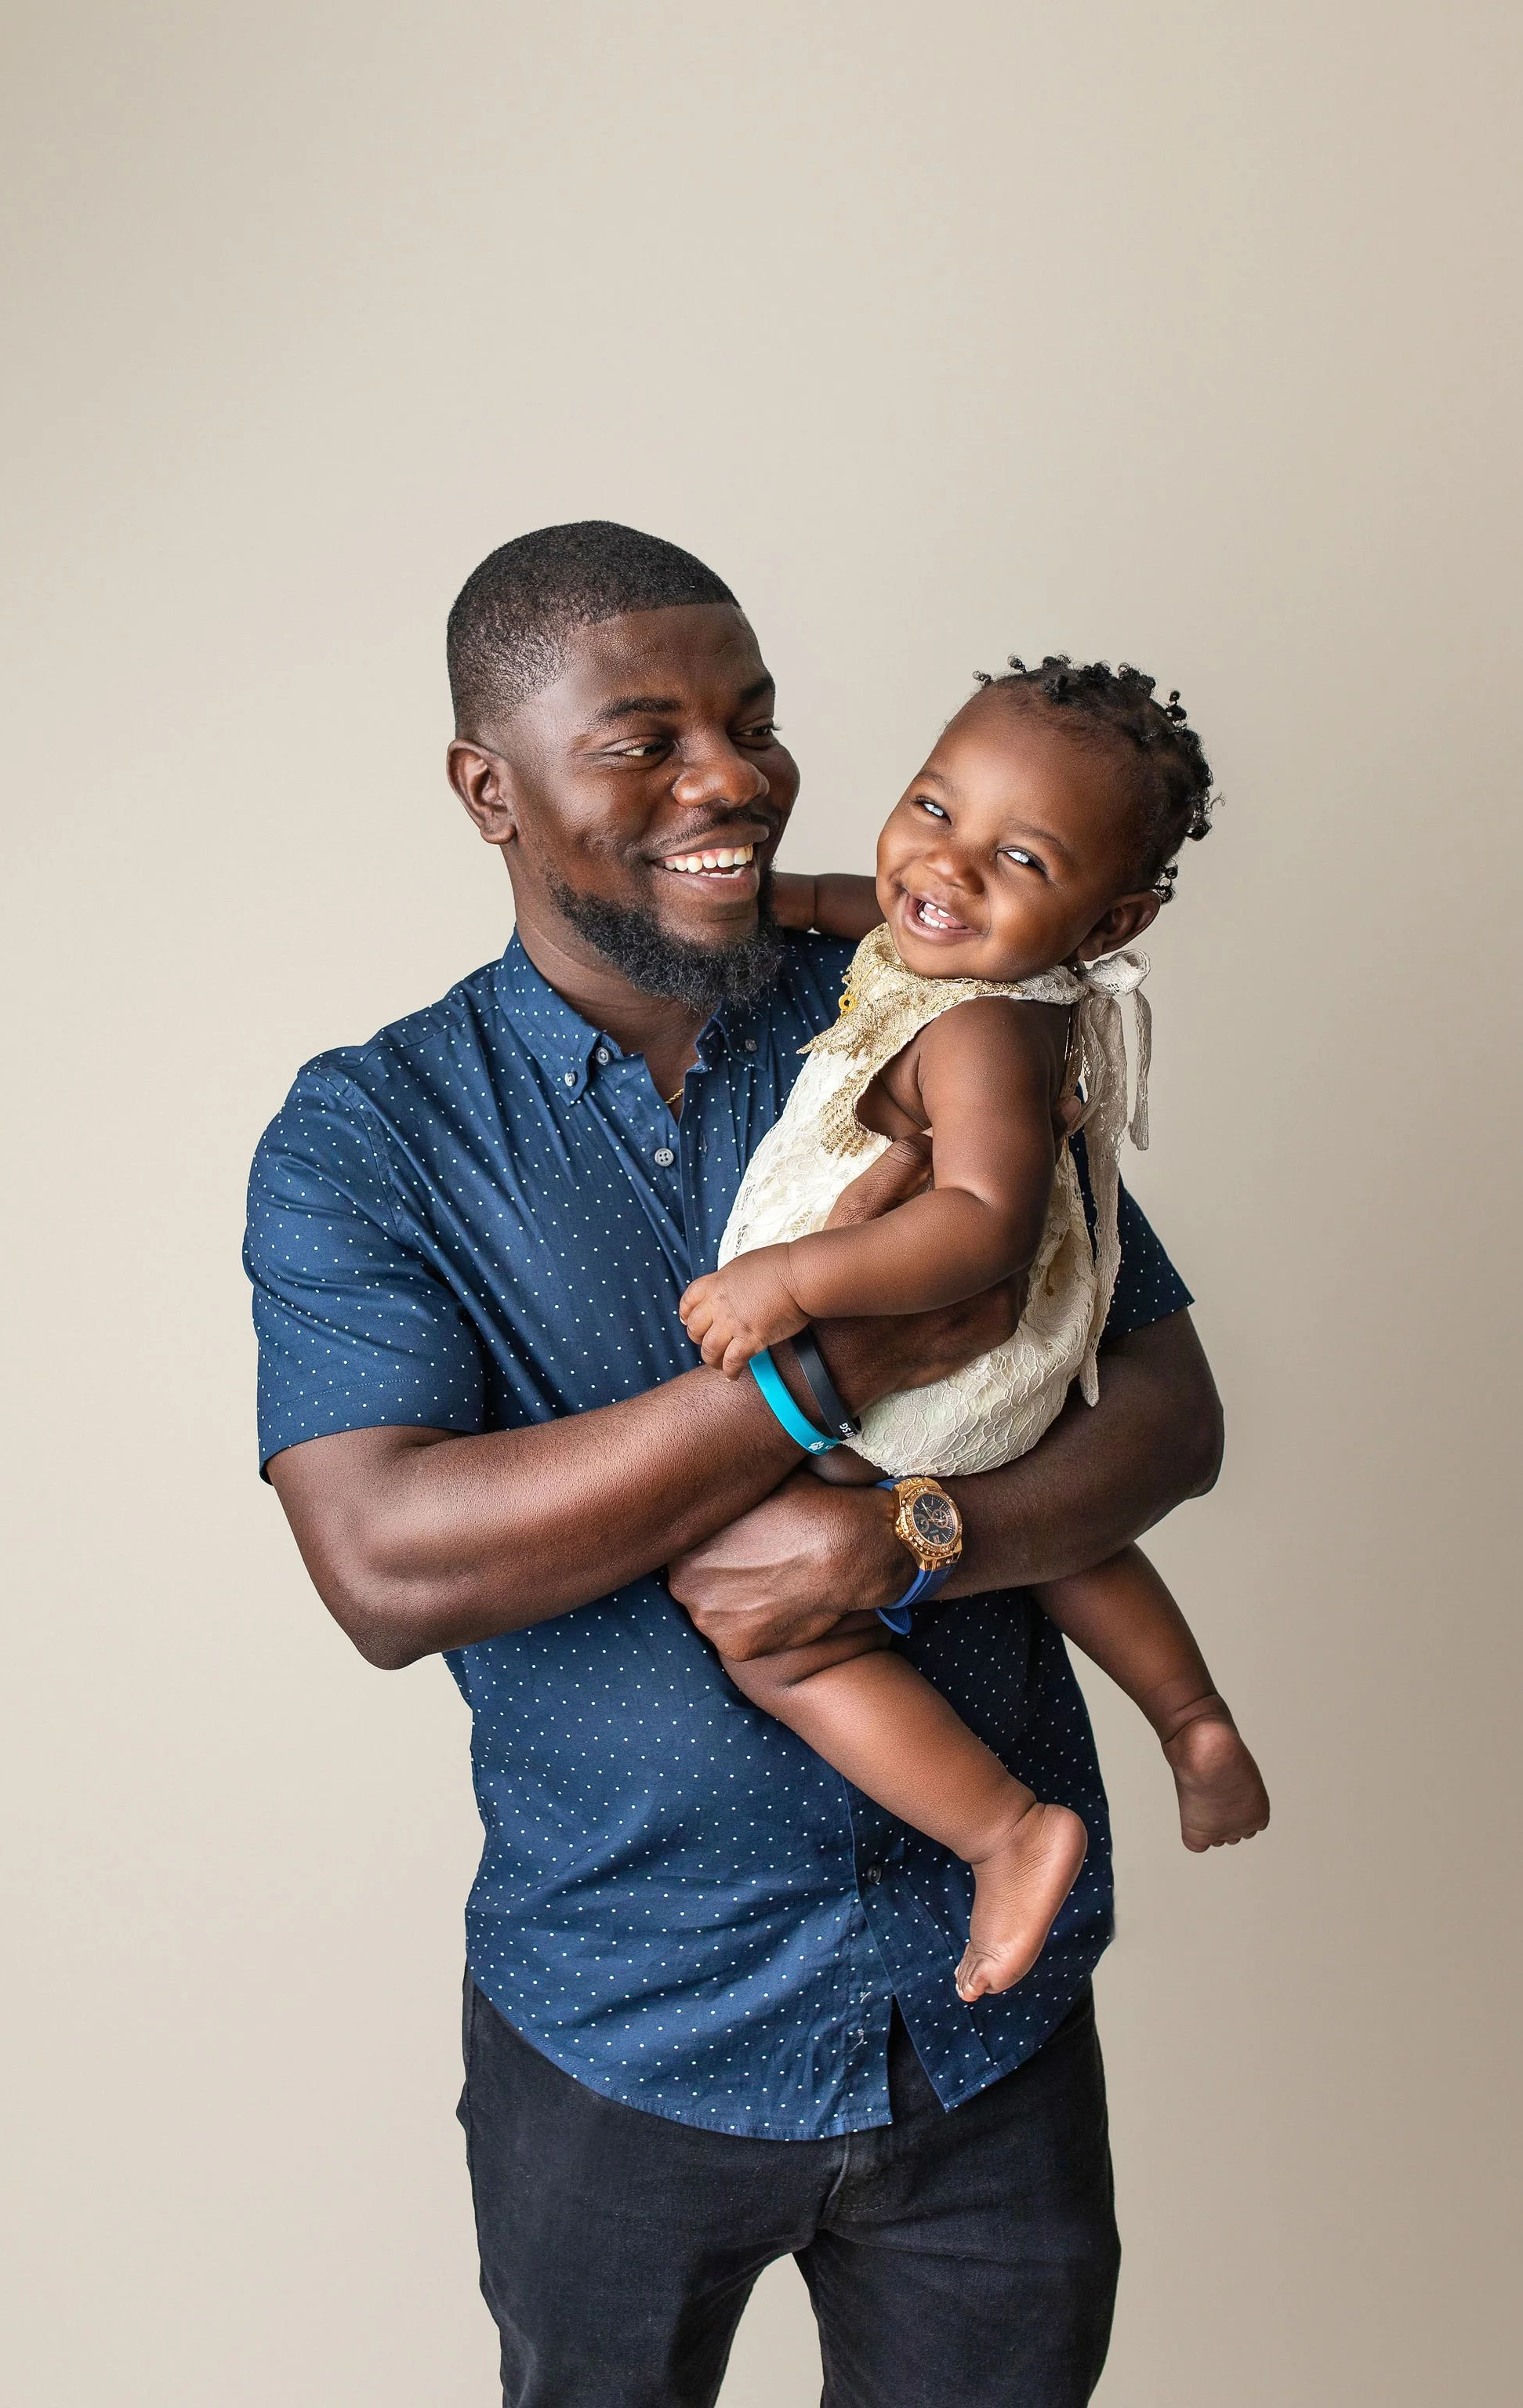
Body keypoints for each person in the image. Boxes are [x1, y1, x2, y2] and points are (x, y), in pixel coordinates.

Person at [245, 522, 1227, 2408]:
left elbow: (1166, 1413)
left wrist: (923, 1530)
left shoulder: (928, 1011)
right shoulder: (370, 1139)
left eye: (756, 722)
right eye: (645, 740)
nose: (734, 780)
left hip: (983, 2025)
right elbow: (386, 1566)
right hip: (625, 2030)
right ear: (491, 789)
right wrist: (818, 1380)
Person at [677, 661, 1268, 2003]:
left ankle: (1004, 1832)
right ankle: (1192, 1715)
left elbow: (985, 1225)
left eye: (1019, 855)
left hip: (931, 1354)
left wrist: (795, 1281)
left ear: (1110, 917)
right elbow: (839, 901)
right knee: (1058, 1534)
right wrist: (734, 896)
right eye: (932, 807)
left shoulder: (989, 1028)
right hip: (993, 1397)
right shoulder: (931, 940)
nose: (944, 866)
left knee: (775, 1621)